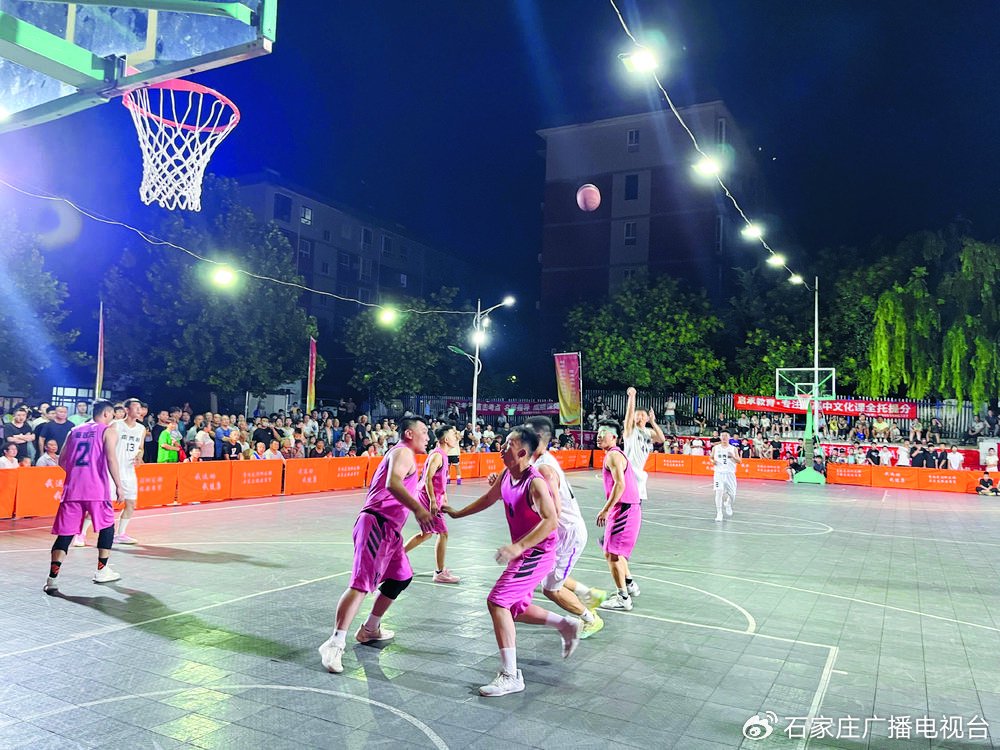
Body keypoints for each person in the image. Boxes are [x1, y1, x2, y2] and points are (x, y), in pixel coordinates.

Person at [442, 425, 581, 697]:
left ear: (522, 453)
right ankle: (565, 624)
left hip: (537, 553)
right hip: (525, 552)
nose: (502, 448)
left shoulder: (535, 482)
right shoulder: (507, 474)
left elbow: (551, 521)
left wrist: (518, 546)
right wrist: (458, 513)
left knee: (497, 601)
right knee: (515, 607)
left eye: (508, 445)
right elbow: (488, 498)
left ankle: (510, 676)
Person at [318, 417, 433, 675]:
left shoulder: (406, 456)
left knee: (401, 577)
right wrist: (418, 510)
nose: (428, 436)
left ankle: (370, 628)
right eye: (424, 432)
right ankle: (334, 643)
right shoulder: (403, 452)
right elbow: (393, 483)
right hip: (376, 524)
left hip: (390, 530)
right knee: (361, 585)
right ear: (409, 433)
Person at [525, 415, 606, 637]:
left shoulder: (544, 468)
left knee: (550, 589)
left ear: (537, 437)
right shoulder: (540, 461)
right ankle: (589, 594)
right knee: (547, 574)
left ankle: (591, 619)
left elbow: (555, 511)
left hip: (568, 534)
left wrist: (534, 537)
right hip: (562, 533)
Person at [44, 401, 124, 592]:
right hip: (96, 489)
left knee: (65, 534)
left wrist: (77, 474)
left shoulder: (74, 431)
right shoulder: (108, 431)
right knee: (107, 526)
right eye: (112, 415)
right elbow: (111, 459)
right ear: (106, 414)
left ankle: (52, 579)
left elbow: (62, 460)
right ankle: (102, 570)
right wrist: (119, 486)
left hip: (72, 489)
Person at [403, 424, 461, 584]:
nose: (456, 436)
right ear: (446, 439)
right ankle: (439, 572)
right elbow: (428, 478)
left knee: (427, 534)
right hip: (426, 498)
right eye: (453, 434)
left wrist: (444, 496)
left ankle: (396, 556)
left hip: (429, 496)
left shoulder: (443, 455)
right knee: (443, 533)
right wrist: (433, 501)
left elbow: (439, 480)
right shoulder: (437, 456)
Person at [595, 420, 642, 612]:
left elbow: (620, 484)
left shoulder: (614, 455)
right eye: (598, 432)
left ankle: (623, 598)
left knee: (612, 555)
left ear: (614, 437)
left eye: (603, 433)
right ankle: (629, 584)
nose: (599, 436)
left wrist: (606, 509)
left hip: (624, 509)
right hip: (624, 509)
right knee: (612, 551)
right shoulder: (613, 454)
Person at [710, 429, 741, 522]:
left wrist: (733, 457)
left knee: (732, 495)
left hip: (730, 474)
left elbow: (739, 461)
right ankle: (719, 513)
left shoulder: (733, 448)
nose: (724, 437)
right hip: (719, 474)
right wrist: (713, 461)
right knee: (718, 492)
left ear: (729, 437)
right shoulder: (715, 448)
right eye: (722, 435)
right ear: (720, 437)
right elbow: (711, 457)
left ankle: (728, 503)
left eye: (726, 436)